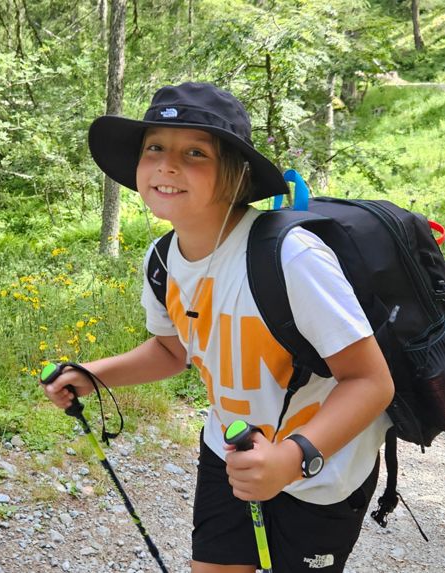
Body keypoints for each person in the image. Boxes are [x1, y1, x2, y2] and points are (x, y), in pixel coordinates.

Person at [42, 82, 395, 573]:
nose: (167, 165)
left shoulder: (290, 257)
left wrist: (291, 461)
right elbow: (171, 351)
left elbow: (371, 381)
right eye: (155, 148)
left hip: (321, 469)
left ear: (234, 173)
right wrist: (92, 374)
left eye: (194, 153)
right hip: (229, 453)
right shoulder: (163, 259)